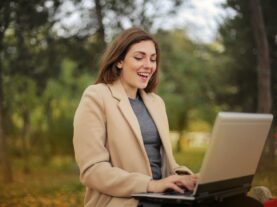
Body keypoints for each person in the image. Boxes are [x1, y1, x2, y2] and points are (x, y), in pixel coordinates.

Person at [73, 27, 262, 207]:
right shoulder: (96, 96)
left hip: (163, 196)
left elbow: (167, 166)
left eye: (153, 59)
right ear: (119, 61)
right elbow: (93, 170)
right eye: (139, 57)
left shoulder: (156, 102)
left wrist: (190, 179)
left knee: (246, 204)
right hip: (127, 200)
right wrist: (151, 185)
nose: (148, 65)